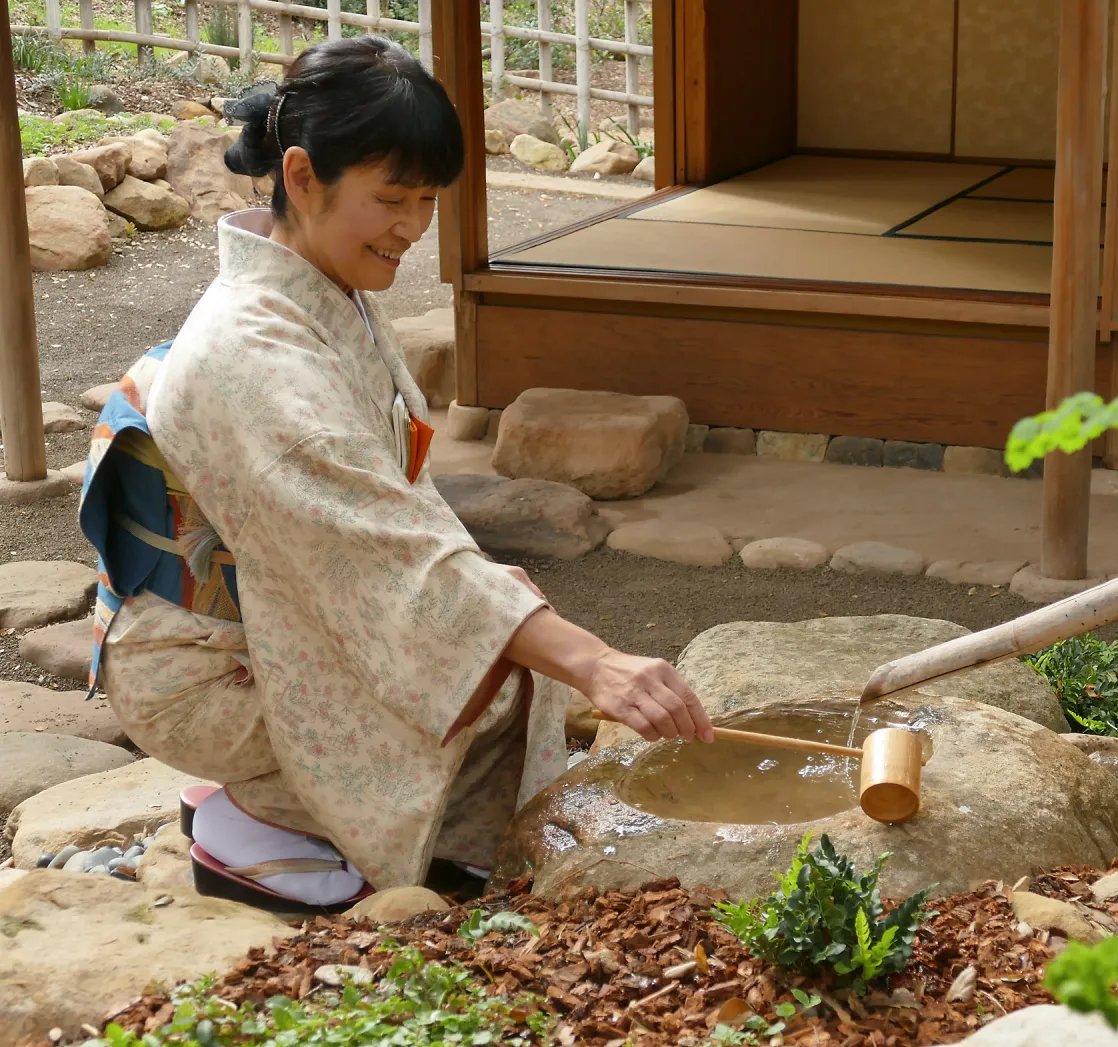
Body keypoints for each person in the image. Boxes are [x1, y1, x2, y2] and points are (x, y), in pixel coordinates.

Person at [78, 36, 712, 908]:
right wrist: (592, 660)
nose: (414, 228)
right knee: (478, 678)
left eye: (427, 200)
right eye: (392, 199)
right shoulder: (254, 357)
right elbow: (394, 561)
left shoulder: (320, 289)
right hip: (205, 668)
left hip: (273, 601)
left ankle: (312, 811)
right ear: (301, 176)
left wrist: (497, 608)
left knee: (491, 643)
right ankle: (264, 822)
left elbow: (394, 517)